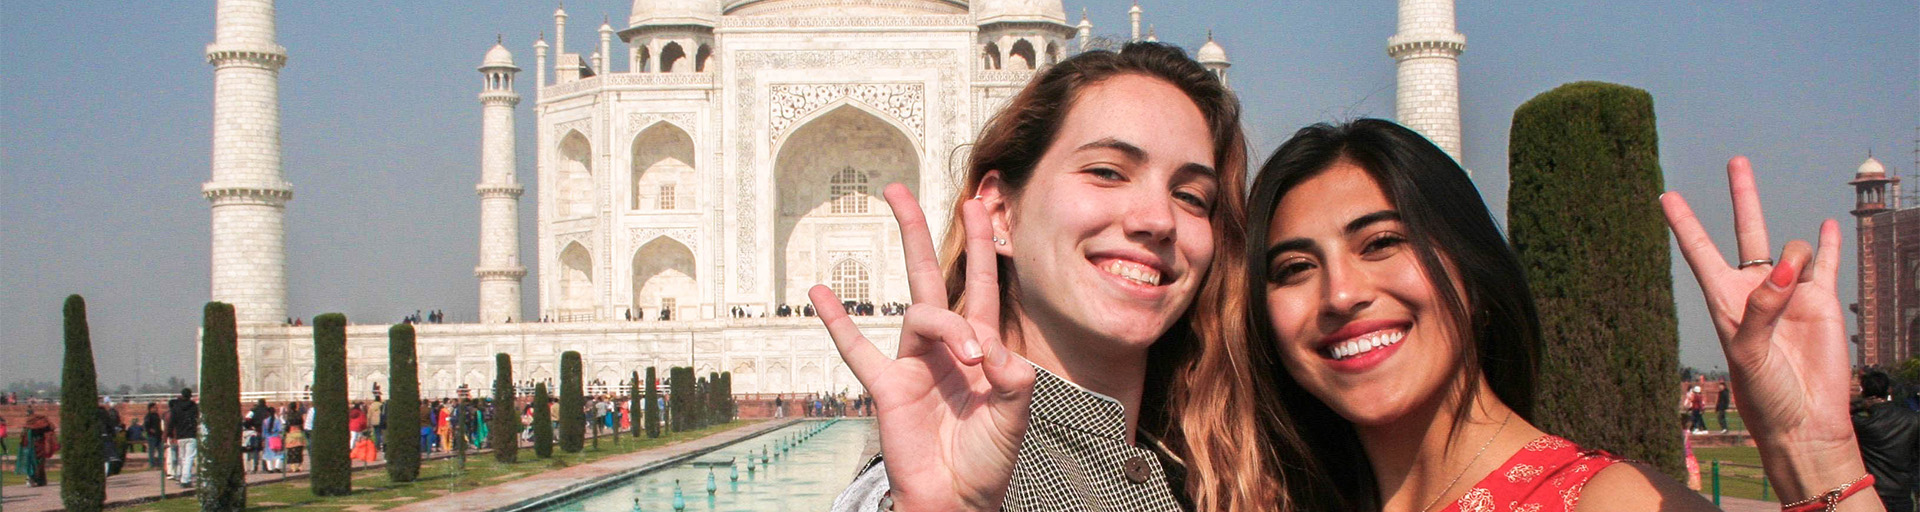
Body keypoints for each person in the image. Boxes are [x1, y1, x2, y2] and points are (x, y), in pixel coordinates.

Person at [1240, 119, 1884, 510]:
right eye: (1294, 268)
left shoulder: (1605, 504)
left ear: (1475, 269)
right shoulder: (1275, 499)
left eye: (1382, 242)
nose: (1340, 294)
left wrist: (1814, 456)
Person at [825, 41, 1267, 510]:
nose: (1159, 219)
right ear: (1000, 213)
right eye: (1107, 172)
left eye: (1192, 196)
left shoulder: (1222, 476)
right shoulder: (953, 476)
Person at [1853, 371, 1918, 512]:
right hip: (1902, 492)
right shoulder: (1912, 419)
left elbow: (1841, 414)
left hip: (1872, 492)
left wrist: (1862, 404)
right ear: (1889, 390)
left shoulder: (1861, 424)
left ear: (1863, 392)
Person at [167, 388, 200, 486]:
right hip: (191, 434)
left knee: (182, 457)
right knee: (189, 457)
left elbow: (172, 422)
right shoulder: (194, 406)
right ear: (190, 396)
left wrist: (170, 434)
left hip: (180, 435)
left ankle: (180, 475)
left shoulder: (176, 408)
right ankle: (185, 479)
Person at [17, 407, 54, 486]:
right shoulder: (30, 425)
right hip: (33, 447)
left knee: (37, 464)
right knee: (36, 464)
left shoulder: (36, 423)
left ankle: (36, 479)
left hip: (37, 446)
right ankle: (36, 480)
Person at [143, 402, 166, 469]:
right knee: (152, 451)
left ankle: (161, 464)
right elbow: (146, 426)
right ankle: (152, 464)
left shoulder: (157, 415)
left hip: (158, 435)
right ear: (151, 408)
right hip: (152, 436)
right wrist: (151, 430)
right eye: (155, 407)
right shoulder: (148, 416)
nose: (156, 409)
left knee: (160, 450)